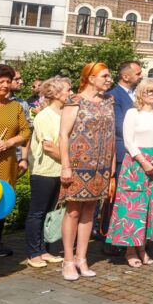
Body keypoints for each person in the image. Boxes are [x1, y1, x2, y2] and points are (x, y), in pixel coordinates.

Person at [105, 78, 153, 268]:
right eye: (149, 91)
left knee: (152, 206)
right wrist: (143, 161)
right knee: (134, 208)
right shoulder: (133, 113)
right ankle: (130, 250)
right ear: (141, 94)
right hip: (136, 163)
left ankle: (144, 247)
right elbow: (128, 141)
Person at [59, 62, 115, 280]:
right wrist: (65, 166)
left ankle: (82, 258)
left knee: (90, 211)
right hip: (77, 165)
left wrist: (111, 165)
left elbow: (112, 134)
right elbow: (64, 134)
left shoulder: (109, 101)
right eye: (105, 76)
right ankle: (68, 260)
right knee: (73, 211)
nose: (109, 79)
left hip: (100, 166)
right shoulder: (74, 101)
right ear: (91, 78)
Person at [0, 64, 31, 277]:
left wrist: (8, 142)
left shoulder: (15, 107)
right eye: (0, 81)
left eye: (7, 81)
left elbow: (25, 132)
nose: (5, 85)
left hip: (4, 166)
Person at [24, 77, 71, 268]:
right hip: (44, 172)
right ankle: (33, 252)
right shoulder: (45, 116)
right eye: (68, 90)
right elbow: (49, 147)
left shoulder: (64, 114)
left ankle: (44, 250)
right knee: (37, 212)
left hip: (58, 170)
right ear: (57, 93)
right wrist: (69, 162)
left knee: (50, 212)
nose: (71, 92)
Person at [108, 61, 143, 176]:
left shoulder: (138, 94)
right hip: (124, 152)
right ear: (125, 77)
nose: (141, 76)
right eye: (138, 74)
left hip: (141, 151)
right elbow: (119, 126)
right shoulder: (113, 95)